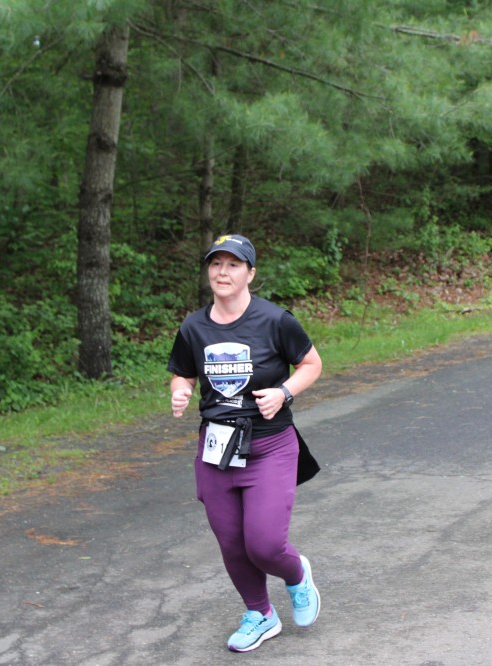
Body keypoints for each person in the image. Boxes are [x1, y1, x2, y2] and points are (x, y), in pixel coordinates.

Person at [167, 233, 323, 653]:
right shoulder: (194, 326)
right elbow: (182, 372)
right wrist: (180, 390)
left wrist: (284, 392)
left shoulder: (275, 320)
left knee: (265, 544)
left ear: (250, 273)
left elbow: (311, 364)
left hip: (269, 445)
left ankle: (296, 576)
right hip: (216, 449)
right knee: (233, 544)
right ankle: (260, 614)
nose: (223, 272)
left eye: (233, 264)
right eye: (216, 264)